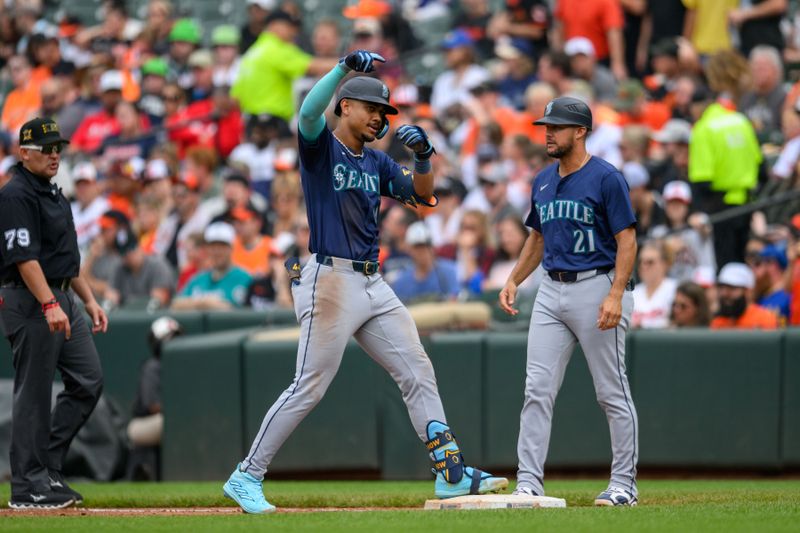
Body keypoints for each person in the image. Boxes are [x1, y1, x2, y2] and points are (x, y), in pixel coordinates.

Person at [222, 50, 508, 514]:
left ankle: (450, 474)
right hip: (330, 277)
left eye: (384, 112)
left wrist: (423, 155)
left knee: (417, 369)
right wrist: (342, 68)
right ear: (347, 106)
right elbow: (308, 112)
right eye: (373, 108)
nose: (380, 117)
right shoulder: (322, 147)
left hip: (373, 282)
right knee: (309, 384)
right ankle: (247, 474)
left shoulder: (375, 162)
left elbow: (422, 195)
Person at [499, 97, 639, 506]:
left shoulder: (606, 178)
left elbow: (627, 239)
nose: (548, 132)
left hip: (597, 284)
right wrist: (514, 279)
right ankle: (528, 482)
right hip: (550, 290)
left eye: (557, 126)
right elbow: (537, 238)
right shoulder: (543, 179)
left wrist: (616, 293)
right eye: (547, 125)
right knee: (536, 390)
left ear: (580, 131)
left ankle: (624, 485)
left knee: (611, 391)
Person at [0, 118, 108, 509]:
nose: (54, 154)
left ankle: (47, 468)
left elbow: (66, 258)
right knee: (33, 393)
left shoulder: (51, 191)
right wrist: (48, 302)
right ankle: (28, 485)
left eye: (57, 147)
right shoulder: (16, 195)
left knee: (88, 380)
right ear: (23, 152)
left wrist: (89, 299)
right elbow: (24, 258)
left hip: (64, 296)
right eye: (45, 148)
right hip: (30, 300)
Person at [126, 316, 183, 481]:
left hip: (163, 420)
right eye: (172, 338)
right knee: (175, 422)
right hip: (143, 424)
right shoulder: (153, 367)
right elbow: (152, 405)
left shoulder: (180, 367)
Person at [390, 221, 459, 304]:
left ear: (432, 247)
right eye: (417, 247)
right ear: (409, 249)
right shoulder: (402, 280)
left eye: (426, 245)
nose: (423, 250)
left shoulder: (448, 272)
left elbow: (454, 302)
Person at [710, 262, 779, 330]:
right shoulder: (717, 322)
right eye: (722, 287)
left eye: (732, 288)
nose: (724, 293)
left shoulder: (765, 319)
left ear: (748, 291)